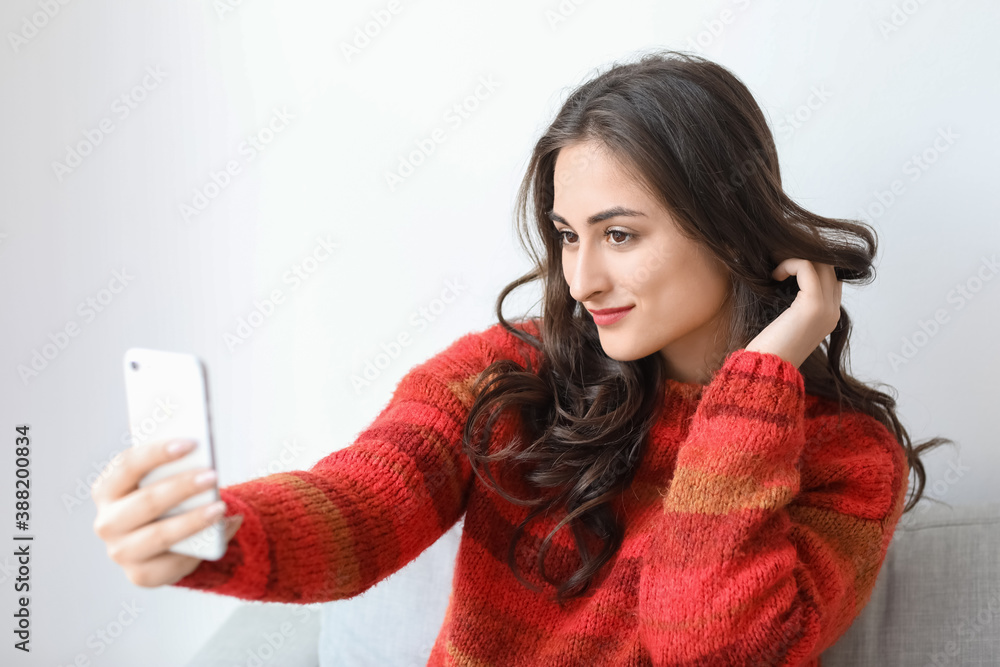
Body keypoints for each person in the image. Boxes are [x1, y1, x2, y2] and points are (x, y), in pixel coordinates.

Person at [91, 49, 950, 666]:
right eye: (569, 236)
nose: (582, 276)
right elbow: (361, 505)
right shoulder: (507, 374)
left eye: (619, 234)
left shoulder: (844, 460)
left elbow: (711, 646)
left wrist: (757, 383)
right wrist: (217, 530)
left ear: (727, 228)